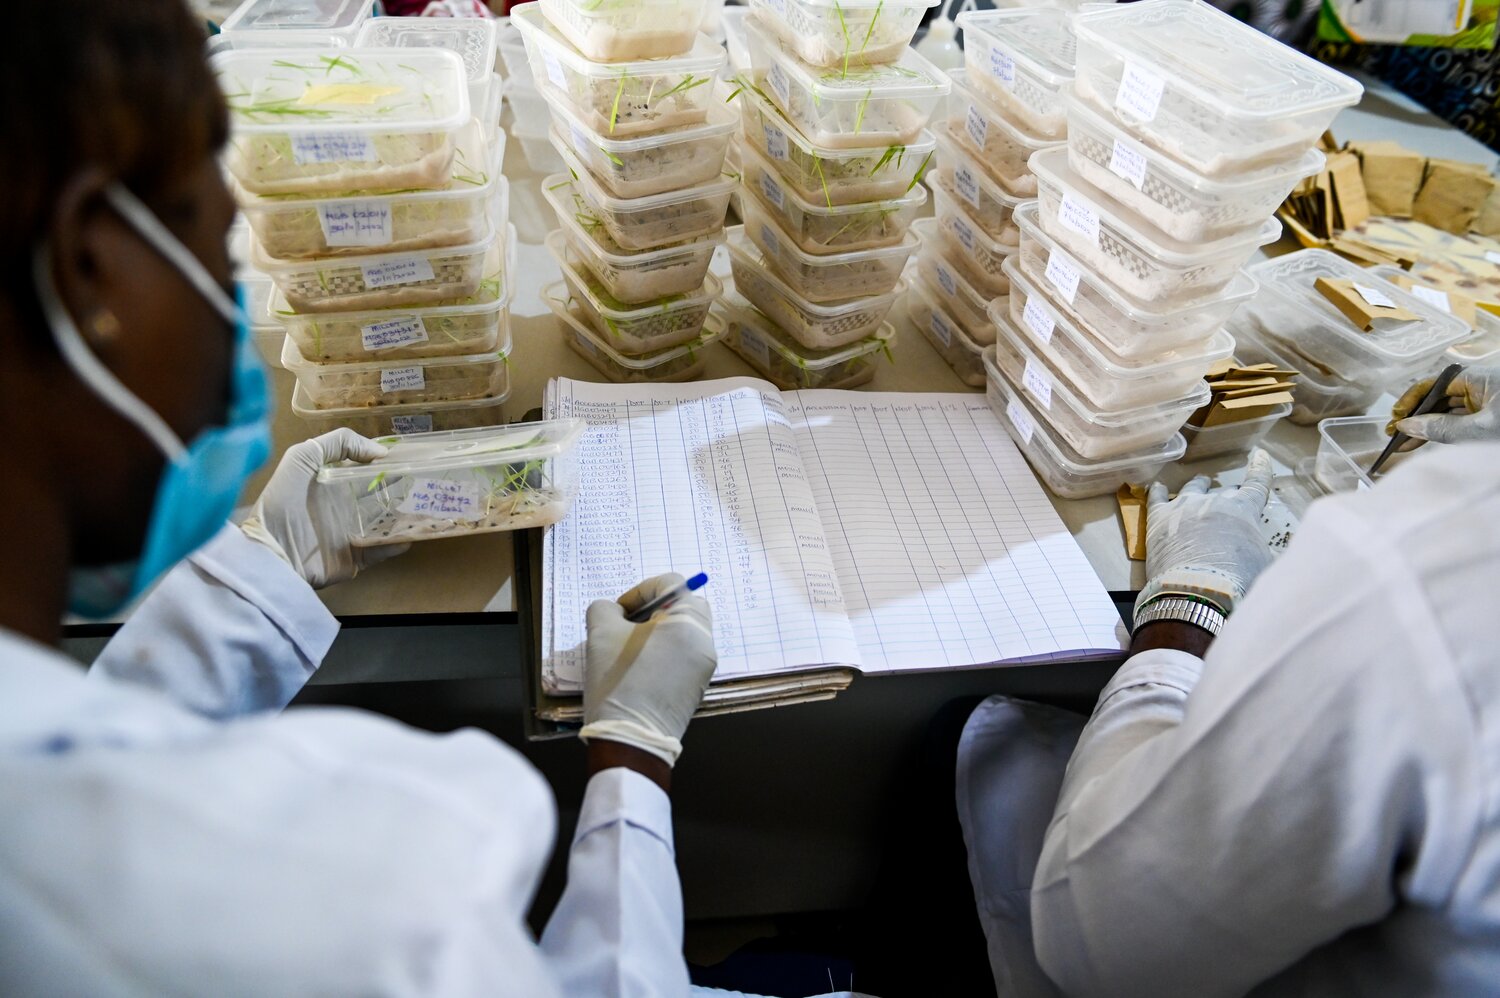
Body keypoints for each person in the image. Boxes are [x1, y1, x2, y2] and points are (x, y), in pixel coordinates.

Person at [1, 3, 716, 994]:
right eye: (221, 258)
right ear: (90, 268)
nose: (236, 325)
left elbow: (79, 762)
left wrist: (270, 555)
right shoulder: (382, 912)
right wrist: (633, 761)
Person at [956, 365, 1500, 997]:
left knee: (980, 735)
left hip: (1156, 960)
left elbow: (1110, 943)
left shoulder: (1431, 557)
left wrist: (1187, 603)